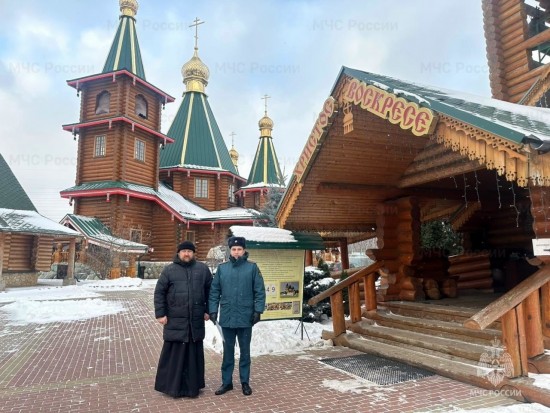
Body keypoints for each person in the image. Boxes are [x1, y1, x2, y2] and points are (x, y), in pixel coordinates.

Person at [153, 241, 212, 398]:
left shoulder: (202, 269)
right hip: (175, 320)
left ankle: (192, 387)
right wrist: (160, 314)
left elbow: (210, 291)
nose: (187, 254)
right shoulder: (169, 270)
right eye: (184, 251)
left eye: (189, 251)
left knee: (193, 356)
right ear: (179, 253)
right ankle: (172, 387)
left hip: (195, 321)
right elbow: (159, 292)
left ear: (194, 253)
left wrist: (208, 311)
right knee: (174, 356)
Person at [209, 236, 266, 396]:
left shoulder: (252, 268)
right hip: (227, 318)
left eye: (239, 249)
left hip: (245, 317)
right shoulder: (222, 268)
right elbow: (214, 291)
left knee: (245, 352)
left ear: (244, 250)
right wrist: (213, 309)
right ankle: (226, 383)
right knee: (227, 353)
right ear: (230, 250)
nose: (236, 252)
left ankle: (245, 382)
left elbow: (259, 291)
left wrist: (258, 311)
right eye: (234, 249)